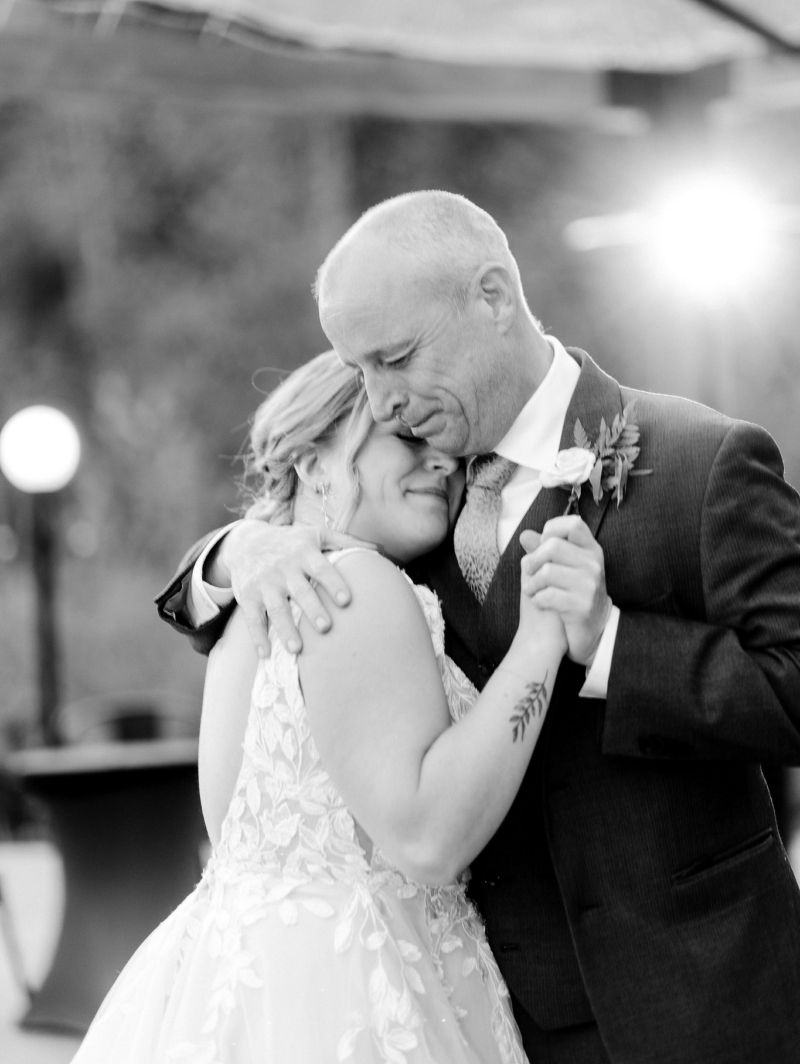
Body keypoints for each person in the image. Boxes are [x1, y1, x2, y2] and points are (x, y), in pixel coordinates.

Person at [159, 190, 800, 1064]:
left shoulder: (700, 460)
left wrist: (614, 644)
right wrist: (239, 548)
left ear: (492, 297)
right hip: (496, 1017)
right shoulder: (411, 503)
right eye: (360, 373)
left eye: (395, 359)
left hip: (705, 1000)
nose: (383, 402)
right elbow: (241, 609)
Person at [75, 349, 571, 1064]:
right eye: (406, 435)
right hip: (360, 991)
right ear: (312, 462)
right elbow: (429, 838)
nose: (444, 462)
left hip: (244, 985)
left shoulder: (250, 605)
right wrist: (542, 636)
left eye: (451, 449)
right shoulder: (354, 586)